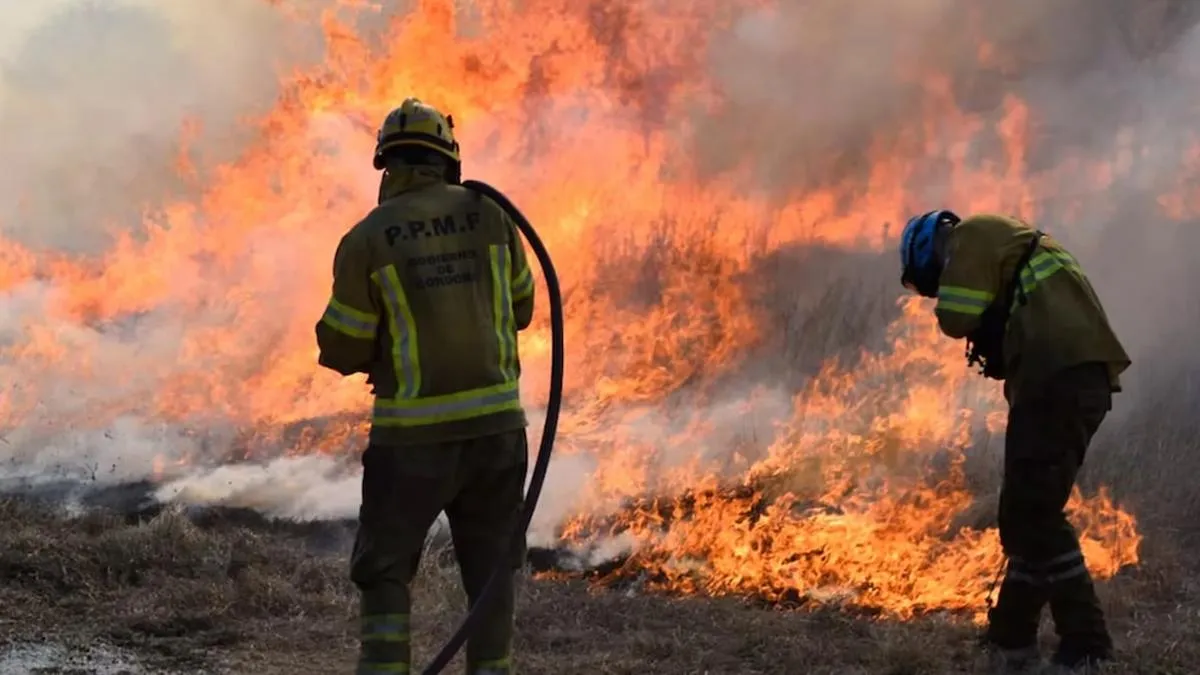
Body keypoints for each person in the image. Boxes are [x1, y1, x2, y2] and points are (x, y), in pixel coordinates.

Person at [315, 97, 536, 675]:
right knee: (490, 574)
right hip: (497, 435)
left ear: (387, 164)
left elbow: (341, 346)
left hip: (411, 440)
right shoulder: (494, 217)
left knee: (385, 568)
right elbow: (523, 308)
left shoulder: (369, 237)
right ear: (449, 159)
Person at [898, 211, 1131, 671]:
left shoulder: (968, 238)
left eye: (930, 281)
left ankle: (1087, 647)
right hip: (1072, 378)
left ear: (929, 250)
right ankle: (1011, 639)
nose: (935, 289)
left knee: (1035, 514)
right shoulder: (1008, 242)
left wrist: (961, 308)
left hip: (1057, 377)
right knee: (1024, 513)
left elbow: (957, 316)